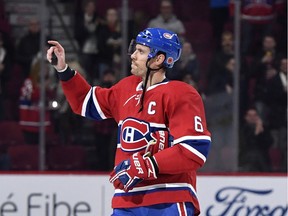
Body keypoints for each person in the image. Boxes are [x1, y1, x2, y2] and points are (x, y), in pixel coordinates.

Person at [47, 27, 211, 216]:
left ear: (158, 59)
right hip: (126, 202)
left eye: (141, 51)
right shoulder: (126, 87)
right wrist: (63, 69)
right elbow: (86, 102)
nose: (133, 55)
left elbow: (194, 150)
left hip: (169, 198)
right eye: (135, 49)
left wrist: (149, 164)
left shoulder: (180, 93)